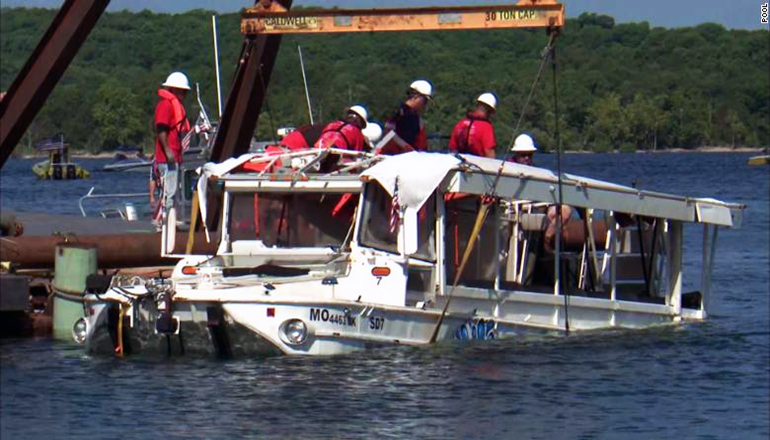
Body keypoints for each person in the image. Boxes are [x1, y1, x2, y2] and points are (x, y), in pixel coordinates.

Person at [153, 71, 191, 224]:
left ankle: (167, 219)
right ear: (174, 90)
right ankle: (164, 220)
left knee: (172, 190)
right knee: (168, 191)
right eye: (182, 91)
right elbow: (161, 129)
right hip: (168, 158)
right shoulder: (165, 106)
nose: (184, 95)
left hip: (174, 156)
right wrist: (168, 151)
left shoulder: (172, 106)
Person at [381, 80, 433, 154]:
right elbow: (388, 133)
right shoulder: (399, 112)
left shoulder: (414, 116)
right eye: (425, 100)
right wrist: (407, 148)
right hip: (395, 156)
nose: (425, 105)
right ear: (416, 96)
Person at [448, 93, 498, 159]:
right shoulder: (486, 127)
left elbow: (452, 148)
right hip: (479, 165)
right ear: (490, 111)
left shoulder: (460, 124)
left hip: (459, 164)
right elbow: (489, 151)